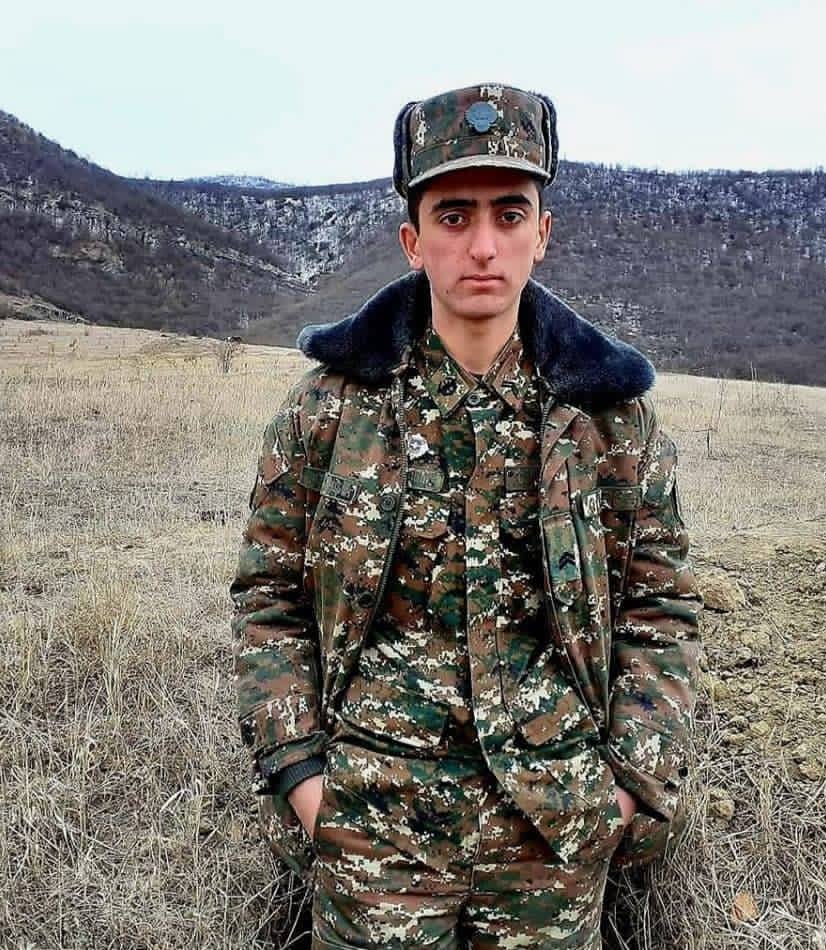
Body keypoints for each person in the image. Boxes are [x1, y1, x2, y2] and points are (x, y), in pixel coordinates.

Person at [231, 83, 703, 950]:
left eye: (508, 214)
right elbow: (269, 598)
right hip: (373, 826)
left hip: (555, 828)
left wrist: (629, 786)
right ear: (413, 241)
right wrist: (305, 779)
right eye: (453, 216)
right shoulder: (328, 409)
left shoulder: (606, 417)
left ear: (542, 234)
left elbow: (660, 606)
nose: (483, 245)